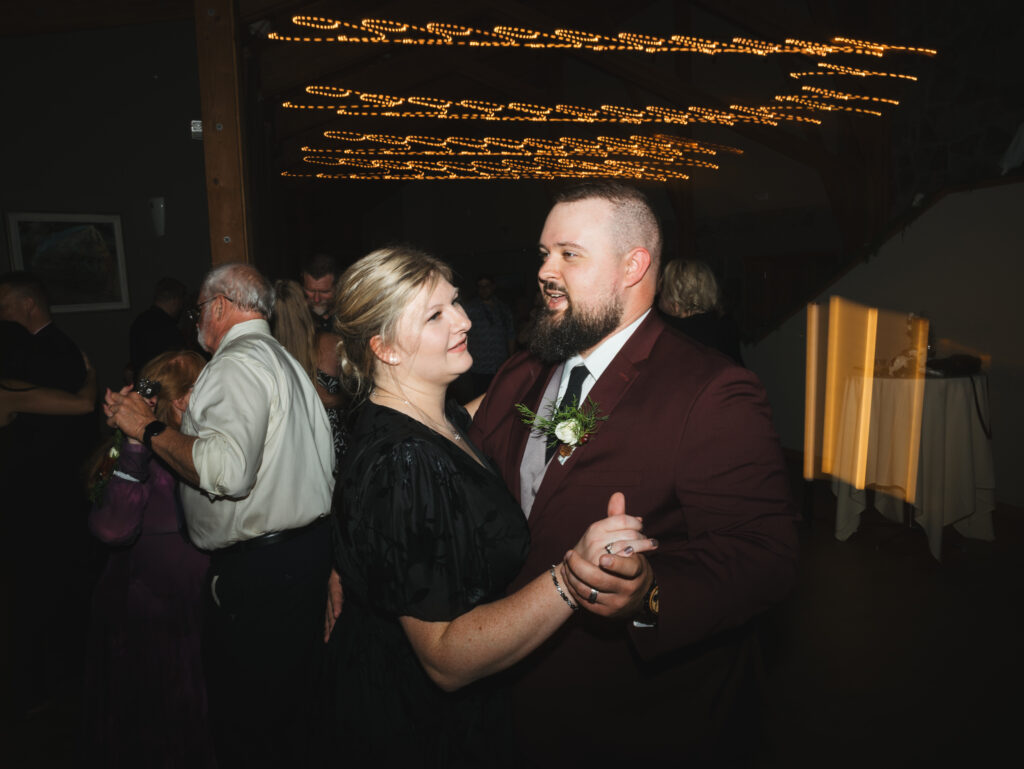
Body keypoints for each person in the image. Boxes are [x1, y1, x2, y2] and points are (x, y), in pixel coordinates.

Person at [469, 182, 799, 766]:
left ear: (633, 266)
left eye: (569, 254)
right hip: (513, 693)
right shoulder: (523, 370)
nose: (546, 271)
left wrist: (647, 593)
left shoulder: (710, 390)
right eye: (543, 254)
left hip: (633, 718)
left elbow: (763, 556)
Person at [326, 246, 656, 767]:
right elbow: (445, 659)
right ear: (385, 348)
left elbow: (515, 403)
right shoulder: (407, 461)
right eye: (435, 315)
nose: (462, 321)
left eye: (454, 302)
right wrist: (574, 578)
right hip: (420, 726)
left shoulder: (442, 416)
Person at [103, 263, 335, 769]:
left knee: (248, 722)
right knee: (289, 712)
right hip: (297, 558)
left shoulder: (235, 363)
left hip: (262, 573)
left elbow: (228, 473)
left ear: (221, 306)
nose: (196, 323)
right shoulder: (280, 358)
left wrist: (147, 430)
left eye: (199, 311)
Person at [84, 350, 215, 769]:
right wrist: (137, 442)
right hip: (147, 620)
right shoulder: (136, 455)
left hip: (192, 615)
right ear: (182, 399)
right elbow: (113, 529)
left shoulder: (198, 448)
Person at [0, 271, 98, 718]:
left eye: (4, 303)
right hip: (33, 496)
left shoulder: (52, 352)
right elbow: (79, 404)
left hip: (44, 494)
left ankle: (53, 682)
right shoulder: (21, 357)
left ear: (27, 304)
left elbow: (75, 421)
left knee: (44, 586)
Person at [270, 278, 345, 464]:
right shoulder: (333, 344)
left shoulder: (267, 355)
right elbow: (350, 396)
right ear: (303, 307)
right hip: (331, 447)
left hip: (290, 450)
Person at [658, 257, 744, 365]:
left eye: (663, 284)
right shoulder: (722, 329)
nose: (658, 290)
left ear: (675, 293)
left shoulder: (669, 337)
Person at [462, 273, 515, 397]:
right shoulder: (470, 309)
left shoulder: (503, 308)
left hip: (500, 366)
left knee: (501, 399)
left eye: (487, 286)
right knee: (479, 401)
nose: (484, 289)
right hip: (479, 367)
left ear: (493, 287)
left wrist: (510, 361)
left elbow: (511, 335)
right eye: (480, 286)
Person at [128, 276, 189, 379]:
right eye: (181, 303)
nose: (181, 307)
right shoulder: (169, 328)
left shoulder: (139, 321)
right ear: (176, 300)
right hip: (163, 387)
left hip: (143, 385)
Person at [301, 252, 340, 332]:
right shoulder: (295, 317)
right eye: (310, 291)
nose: (316, 299)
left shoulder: (347, 318)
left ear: (337, 288)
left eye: (324, 292)